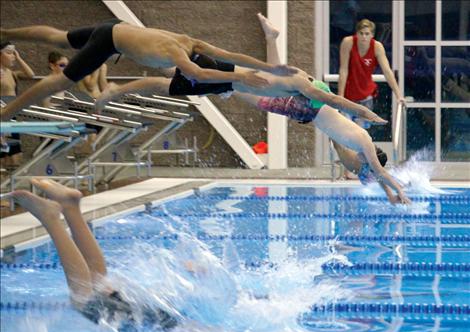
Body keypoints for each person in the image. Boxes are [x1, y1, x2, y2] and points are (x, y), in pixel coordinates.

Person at [95, 14, 409, 204]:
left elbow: (374, 170)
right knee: (240, 83)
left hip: (302, 109)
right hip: (299, 106)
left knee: (263, 77)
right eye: (365, 169)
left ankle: (257, 45)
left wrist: (392, 193)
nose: (362, 173)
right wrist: (398, 190)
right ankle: (144, 83)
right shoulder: (362, 145)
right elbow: (378, 168)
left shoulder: (350, 149)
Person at [0, 18, 296, 118]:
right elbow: (201, 75)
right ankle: (4, 114)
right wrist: (240, 75)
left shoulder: (192, 43)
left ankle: (7, 33)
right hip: (110, 41)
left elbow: (231, 54)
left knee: (59, 38)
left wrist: (270, 67)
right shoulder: (179, 53)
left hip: (114, 29)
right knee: (60, 82)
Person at [6, 178, 179, 332]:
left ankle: (70, 206)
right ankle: (51, 218)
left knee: (98, 283)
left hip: (162, 315)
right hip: (160, 323)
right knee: (83, 301)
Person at [338, 19, 405, 127]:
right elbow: (343, 70)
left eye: (367, 34)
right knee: (346, 131)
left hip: (365, 96)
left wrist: (398, 95)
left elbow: (387, 71)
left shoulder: (377, 47)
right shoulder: (348, 43)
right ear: (357, 34)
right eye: (361, 33)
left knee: (361, 133)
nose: (364, 37)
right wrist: (340, 97)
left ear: (372, 35)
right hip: (348, 96)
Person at [0, 41, 35, 169]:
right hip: (2, 117)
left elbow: (30, 75)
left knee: (16, 158)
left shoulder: (11, 73)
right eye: (9, 53)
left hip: (12, 116)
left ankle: (8, 186)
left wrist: (19, 58)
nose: (13, 56)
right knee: (5, 157)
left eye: (14, 53)